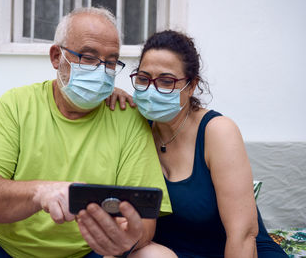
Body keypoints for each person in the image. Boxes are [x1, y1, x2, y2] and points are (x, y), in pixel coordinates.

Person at [0, 8, 172, 258]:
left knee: (158, 256)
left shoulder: (127, 116)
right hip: (1, 247)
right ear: (56, 57)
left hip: (91, 252)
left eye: (111, 62)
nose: (101, 71)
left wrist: (126, 240)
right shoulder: (16, 104)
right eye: (89, 57)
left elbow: (145, 221)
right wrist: (40, 192)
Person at [107, 30, 288, 257]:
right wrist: (106, 92)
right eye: (143, 79)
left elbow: (242, 235)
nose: (151, 89)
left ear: (191, 86)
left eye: (166, 81)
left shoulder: (217, 131)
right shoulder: (137, 127)